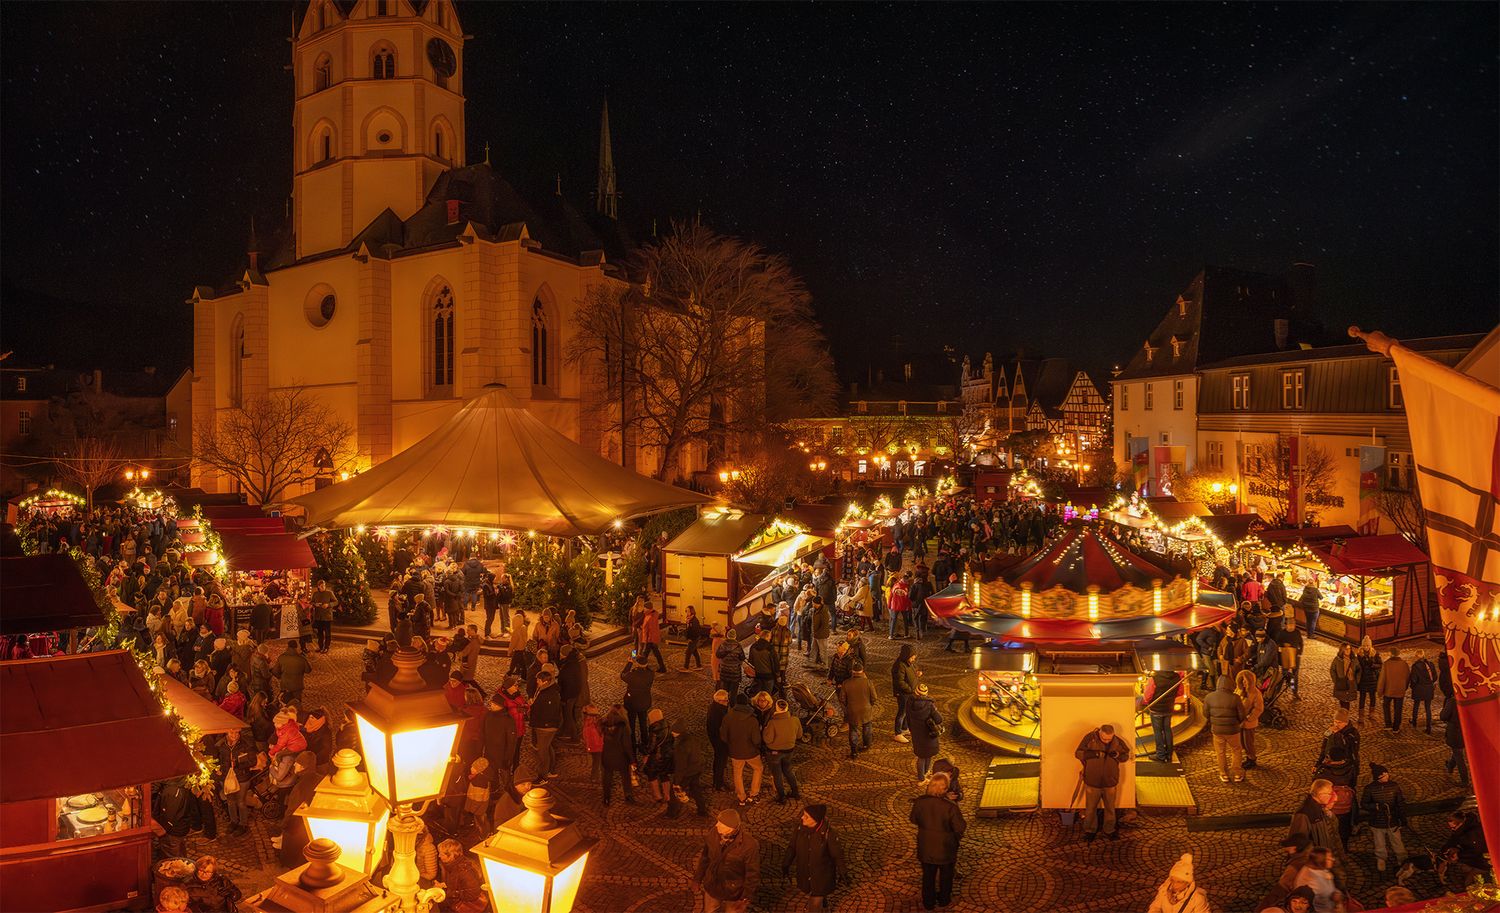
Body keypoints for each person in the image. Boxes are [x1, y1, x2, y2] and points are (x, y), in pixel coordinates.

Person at [909, 771, 966, 911]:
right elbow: (960, 826)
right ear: (945, 788)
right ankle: (944, 900)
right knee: (946, 876)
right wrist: (955, 838)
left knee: (928, 876)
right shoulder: (950, 807)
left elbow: (913, 819)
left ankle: (928, 902)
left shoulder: (920, 802)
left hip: (926, 846)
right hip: (945, 847)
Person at [693, 809, 760, 913]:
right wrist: (697, 879)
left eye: (721, 823)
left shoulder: (749, 846)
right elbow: (705, 858)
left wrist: (745, 897)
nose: (716, 825)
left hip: (734, 891)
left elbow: (752, 874)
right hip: (713, 885)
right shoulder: (713, 834)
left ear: (731, 828)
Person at [783, 803, 845, 911]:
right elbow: (792, 847)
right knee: (817, 895)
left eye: (806, 816)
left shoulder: (828, 834)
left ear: (815, 820)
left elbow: (837, 854)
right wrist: (786, 863)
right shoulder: (799, 829)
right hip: (806, 874)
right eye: (803, 815)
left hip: (821, 878)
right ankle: (825, 907)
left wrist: (843, 871)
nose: (802, 817)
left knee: (814, 904)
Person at [1075, 723, 1130, 841]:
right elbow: (1078, 753)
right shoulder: (1090, 738)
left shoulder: (1117, 741)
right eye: (1104, 738)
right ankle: (1090, 830)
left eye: (1109, 739)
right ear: (1099, 733)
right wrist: (1094, 754)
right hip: (1092, 780)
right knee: (1090, 809)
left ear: (1113, 735)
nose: (1106, 741)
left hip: (1110, 781)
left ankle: (1109, 830)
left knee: (1110, 808)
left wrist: (1118, 755)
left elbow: (1126, 756)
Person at [271, 751, 321, 866]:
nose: (294, 765)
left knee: (292, 854)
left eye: (297, 763)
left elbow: (292, 809)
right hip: (308, 821)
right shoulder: (317, 778)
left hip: (297, 825)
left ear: (303, 767)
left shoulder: (301, 786)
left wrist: (284, 824)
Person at [1363, 762, 1407, 873]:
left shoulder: (1394, 786)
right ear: (1378, 777)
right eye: (1384, 775)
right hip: (1377, 821)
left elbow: (1400, 802)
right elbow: (1364, 803)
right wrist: (1376, 806)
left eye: (1387, 774)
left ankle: (1402, 859)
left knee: (1397, 841)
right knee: (1379, 843)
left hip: (1392, 820)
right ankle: (1381, 858)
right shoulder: (1369, 788)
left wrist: (1402, 818)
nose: (1387, 776)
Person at [721, 692, 764, 807]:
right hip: (751, 752)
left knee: (737, 773)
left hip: (735, 752)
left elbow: (723, 736)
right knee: (758, 768)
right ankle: (754, 793)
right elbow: (756, 739)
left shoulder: (728, 717)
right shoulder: (752, 719)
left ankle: (741, 796)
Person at [1204, 674, 1245, 783]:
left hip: (1217, 731)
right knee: (1236, 750)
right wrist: (1236, 723)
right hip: (1233, 730)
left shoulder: (1209, 697)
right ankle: (1237, 774)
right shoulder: (1235, 698)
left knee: (1220, 752)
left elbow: (1205, 714)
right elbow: (1242, 715)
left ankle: (1224, 774)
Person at [762, 698, 803, 804]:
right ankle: (795, 792)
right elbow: (799, 735)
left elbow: (768, 739)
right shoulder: (795, 720)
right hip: (789, 751)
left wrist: (764, 731)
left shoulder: (772, 723)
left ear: (776, 708)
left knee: (777, 774)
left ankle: (782, 796)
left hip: (774, 752)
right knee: (788, 771)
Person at [1287, 779, 1343, 856]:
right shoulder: (1304, 815)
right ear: (1320, 794)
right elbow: (1297, 844)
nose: (1332, 796)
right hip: (1317, 860)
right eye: (1330, 794)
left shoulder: (1321, 808)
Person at [437, 837, 488, 913]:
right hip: (453, 903)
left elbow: (472, 894)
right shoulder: (451, 865)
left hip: (464, 907)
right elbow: (457, 883)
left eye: (441, 854)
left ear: (451, 855)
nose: (439, 856)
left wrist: (446, 891)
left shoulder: (465, 871)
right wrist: (444, 885)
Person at [1146, 853, 1210, 913]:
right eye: (1172, 880)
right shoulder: (1164, 891)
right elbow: (1155, 907)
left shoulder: (1197, 898)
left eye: (1179, 882)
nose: (1174, 884)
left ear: (1187, 883)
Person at [905, 683, 944, 781]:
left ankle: (923, 775)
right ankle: (923, 776)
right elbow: (939, 719)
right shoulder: (929, 705)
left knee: (921, 755)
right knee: (928, 754)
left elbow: (907, 717)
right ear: (926, 694)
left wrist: (911, 729)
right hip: (928, 734)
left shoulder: (909, 702)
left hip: (916, 734)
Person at [528, 669, 562, 782]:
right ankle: (550, 770)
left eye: (538, 680)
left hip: (545, 727)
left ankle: (543, 776)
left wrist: (533, 707)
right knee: (548, 747)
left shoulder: (549, 695)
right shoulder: (544, 690)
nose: (537, 682)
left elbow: (547, 712)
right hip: (545, 725)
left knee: (542, 751)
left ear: (545, 682)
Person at [839, 661, 878, 758]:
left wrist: (847, 708)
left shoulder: (846, 683)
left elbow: (842, 699)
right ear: (862, 671)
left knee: (853, 730)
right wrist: (869, 705)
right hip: (866, 710)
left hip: (852, 711)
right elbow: (874, 698)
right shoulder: (868, 682)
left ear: (852, 672)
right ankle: (866, 744)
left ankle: (854, 751)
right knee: (867, 727)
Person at [599, 704, 636, 806]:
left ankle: (606, 798)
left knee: (607, 777)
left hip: (607, 755)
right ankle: (628, 796)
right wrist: (632, 759)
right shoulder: (623, 726)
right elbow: (627, 745)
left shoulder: (603, 724)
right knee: (625, 776)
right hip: (621, 757)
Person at [620, 654, 657, 752]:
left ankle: (632, 743)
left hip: (632, 703)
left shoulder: (633, 675)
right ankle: (645, 741)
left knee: (631, 723)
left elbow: (623, 675)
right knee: (643, 722)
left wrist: (629, 663)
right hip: (644, 702)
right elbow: (646, 668)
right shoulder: (650, 674)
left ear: (637, 663)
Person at [1290, 846, 1342, 913]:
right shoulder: (1311, 882)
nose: (1333, 859)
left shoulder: (1317, 867)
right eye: (1328, 858)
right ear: (1320, 860)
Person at [1142, 669, 1179, 763]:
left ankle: (1160, 755)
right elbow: (1180, 692)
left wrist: (1145, 703)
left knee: (1158, 732)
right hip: (1169, 707)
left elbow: (1147, 696)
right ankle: (1169, 754)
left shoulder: (1154, 679)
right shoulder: (1177, 677)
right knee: (1167, 730)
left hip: (1156, 709)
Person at [1236, 668, 1264, 770]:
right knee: (1242, 742)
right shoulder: (1239, 690)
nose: (1243, 683)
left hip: (1248, 724)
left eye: (1245, 681)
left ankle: (1251, 759)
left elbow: (1259, 708)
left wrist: (1248, 718)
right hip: (1240, 722)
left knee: (1248, 742)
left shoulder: (1256, 693)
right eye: (1242, 680)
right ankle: (1248, 757)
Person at [1376, 647, 1410, 732]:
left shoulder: (1386, 664)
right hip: (1400, 691)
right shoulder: (1404, 664)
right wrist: (1404, 687)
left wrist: (1380, 692)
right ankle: (1396, 727)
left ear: (1391, 654)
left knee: (1386, 706)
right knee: (1398, 708)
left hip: (1388, 691)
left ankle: (1388, 724)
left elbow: (1382, 679)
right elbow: (1408, 677)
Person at [891, 644, 919, 743]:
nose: (913, 659)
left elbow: (910, 674)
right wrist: (911, 689)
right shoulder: (899, 665)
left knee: (908, 711)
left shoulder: (907, 663)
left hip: (909, 693)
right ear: (907, 656)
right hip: (903, 694)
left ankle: (904, 728)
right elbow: (900, 682)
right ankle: (897, 733)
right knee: (902, 712)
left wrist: (916, 674)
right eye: (912, 657)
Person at [707, 689, 732, 792]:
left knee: (719, 761)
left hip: (717, 740)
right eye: (725, 700)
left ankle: (717, 781)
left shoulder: (716, 708)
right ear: (719, 701)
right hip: (720, 741)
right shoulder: (719, 712)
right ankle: (718, 783)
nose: (727, 702)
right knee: (720, 762)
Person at [275, 639, 312, 706]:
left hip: (285, 686)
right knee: (297, 705)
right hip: (297, 686)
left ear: (288, 647)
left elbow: (275, 672)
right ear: (296, 647)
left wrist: (281, 677)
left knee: (284, 704)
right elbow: (308, 670)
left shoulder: (282, 657)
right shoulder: (301, 658)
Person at [1408, 649, 1437, 733]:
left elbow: (1414, 679)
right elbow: (1435, 677)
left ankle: (1414, 721)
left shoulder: (1415, 666)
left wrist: (1412, 687)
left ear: (1417, 656)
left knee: (1416, 705)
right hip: (1428, 689)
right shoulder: (1430, 665)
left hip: (1418, 689)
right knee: (1428, 708)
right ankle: (1428, 727)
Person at [1355, 636, 1381, 724]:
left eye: (1367, 645)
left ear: (1370, 646)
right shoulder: (1359, 654)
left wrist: (1373, 665)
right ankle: (1361, 716)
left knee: (1372, 697)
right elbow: (1357, 666)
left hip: (1372, 679)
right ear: (1362, 646)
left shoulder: (1375, 653)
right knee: (1362, 697)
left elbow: (1380, 664)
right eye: (1364, 645)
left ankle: (1371, 713)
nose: (1366, 647)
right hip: (1363, 679)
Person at [637, 600, 668, 673]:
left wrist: (647, 640)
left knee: (644, 653)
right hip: (651, 638)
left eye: (644, 608)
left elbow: (650, 630)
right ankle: (661, 667)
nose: (643, 609)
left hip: (650, 639)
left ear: (647, 608)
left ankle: (642, 667)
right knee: (654, 654)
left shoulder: (649, 617)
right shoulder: (652, 614)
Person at [310, 579, 338, 653]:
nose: (323, 587)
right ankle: (320, 646)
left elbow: (336, 602)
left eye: (324, 586)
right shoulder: (315, 594)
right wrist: (314, 604)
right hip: (318, 616)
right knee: (320, 633)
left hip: (327, 616)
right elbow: (312, 602)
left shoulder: (329, 593)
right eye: (321, 586)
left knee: (327, 633)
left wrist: (328, 605)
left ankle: (326, 647)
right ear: (318, 586)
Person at [683, 606, 706, 671]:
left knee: (688, 652)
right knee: (694, 651)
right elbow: (688, 630)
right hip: (693, 638)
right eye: (686, 611)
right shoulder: (689, 620)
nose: (686, 613)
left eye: (687, 611)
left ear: (691, 612)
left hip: (694, 638)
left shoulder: (694, 621)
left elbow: (694, 631)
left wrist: (691, 639)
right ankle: (699, 665)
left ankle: (686, 667)